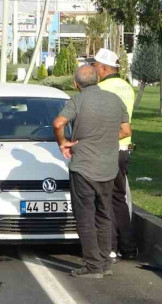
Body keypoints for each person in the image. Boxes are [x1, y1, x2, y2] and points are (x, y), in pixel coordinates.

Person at [53, 65, 131, 278]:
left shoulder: (77, 100)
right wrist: (104, 138)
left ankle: (93, 265)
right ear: (97, 79)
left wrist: (63, 143)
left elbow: (58, 122)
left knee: (85, 216)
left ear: (76, 84)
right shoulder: (115, 100)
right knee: (104, 213)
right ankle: (105, 262)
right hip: (108, 167)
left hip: (84, 167)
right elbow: (126, 130)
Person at [93, 48, 137, 261]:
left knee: (104, 199)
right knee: (119, 198)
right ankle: (128, 247)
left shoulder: (100, 88)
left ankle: (110, 246)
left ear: (103, 68)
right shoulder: (127, 88)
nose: (93, 70)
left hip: (106, 148)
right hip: (124, 148)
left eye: (95, 66)